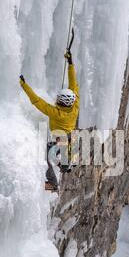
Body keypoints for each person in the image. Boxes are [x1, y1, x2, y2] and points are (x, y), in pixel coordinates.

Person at [19, 50, 79, 192]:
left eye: (58, 99)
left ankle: (53, 183)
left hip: (61, 139)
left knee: (44, 156)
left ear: (61, 102)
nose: (56, 100)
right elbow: (73, 85)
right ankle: (66, 163)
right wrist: (70, 63)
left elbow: (37, 101)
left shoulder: (56, 113)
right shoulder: (75, 106)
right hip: (69, 137)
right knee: (62, 155)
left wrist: (23, 85)